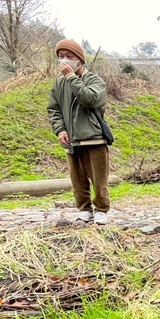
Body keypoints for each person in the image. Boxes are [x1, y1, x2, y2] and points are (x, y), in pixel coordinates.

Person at [47, 39, 110, 224]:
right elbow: (53, 109)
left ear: (80, 60)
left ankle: (101, 210)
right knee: (77, 179)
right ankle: (84, 209)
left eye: (69, 56)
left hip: (94, 138)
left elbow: (90, 99)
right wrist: (59, 130)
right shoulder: (58, 84)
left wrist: (71, 77)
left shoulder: (95, 81)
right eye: (61, 57)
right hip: (71, 140)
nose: (64, 60)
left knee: (99, 178)